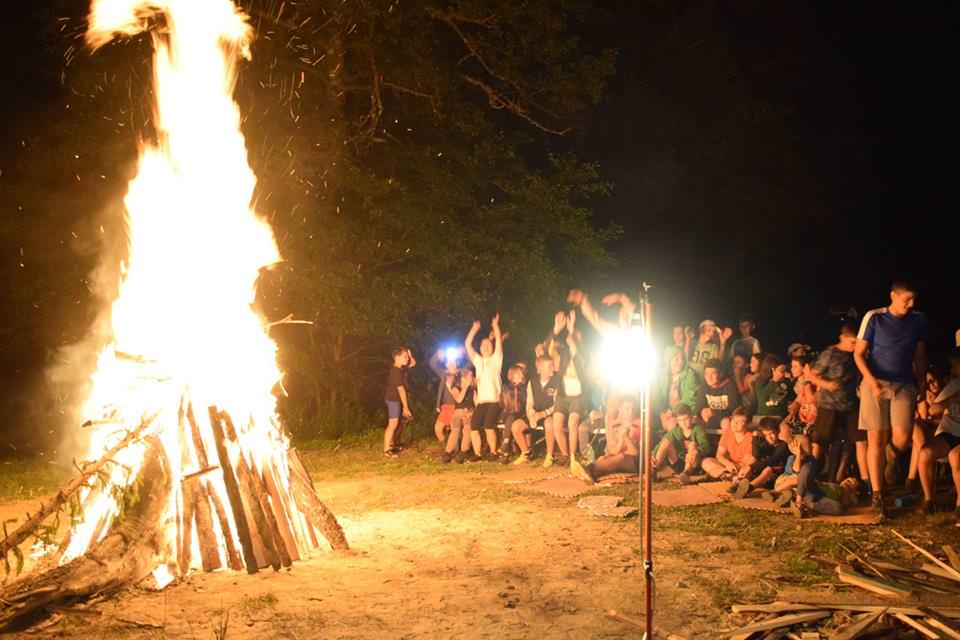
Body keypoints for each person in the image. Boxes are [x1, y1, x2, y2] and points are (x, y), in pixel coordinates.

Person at [855, 279, 928, 518]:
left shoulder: (918, 320)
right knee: (875, 438)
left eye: (913, 299)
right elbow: (858, 354)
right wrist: (872, 381)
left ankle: (891, 455)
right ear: (893, 296)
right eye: (906, 299)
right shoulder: (874, 317)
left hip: (904, 383)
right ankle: (878, 495)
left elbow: (919, 354)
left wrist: (922, 386)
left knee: (902, 437)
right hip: (875, 383)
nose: (911, 303)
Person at [805, 324, 867, 482]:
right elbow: (811, 375)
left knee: (861, 441)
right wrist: (827, 385)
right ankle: (810, 476)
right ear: (843, 338)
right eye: (852, 342)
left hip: (851, 405)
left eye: (857, 342)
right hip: (829, 405)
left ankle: (868, 481)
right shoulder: (830, 354)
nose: (855, 345)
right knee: (820, 442)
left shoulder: (857, 354)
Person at [916, 352, 960, 515]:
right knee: (925, 453)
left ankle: (959, 505)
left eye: (956, 365)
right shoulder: (953, 384)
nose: (954, 369)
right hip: (950, 433)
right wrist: (948, 400)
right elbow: (934, 409)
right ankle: (929, 501)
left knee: (956, 455)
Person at [466, 313, 505, 460]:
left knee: (488, 426)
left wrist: (495, 325)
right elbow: (467, 345)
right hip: (482, 402)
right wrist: (474, 329)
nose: (485, 347)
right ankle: (477, 453)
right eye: (483, 345)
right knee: (474, 427)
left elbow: (499, 343)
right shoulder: (478, 361)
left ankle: (493, 452)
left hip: (494, 401)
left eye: (488, 345)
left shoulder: (496, 359)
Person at [520, 354, 562, 466]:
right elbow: (529, 402)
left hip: (549, 414)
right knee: (516, 427)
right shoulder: (532, 382)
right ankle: (526, 454)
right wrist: (531, 415)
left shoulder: (557, 382)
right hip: (536, 413)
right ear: (539, 369)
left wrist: (543, 414)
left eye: (552, 365)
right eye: (549, 366)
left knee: (549, 423)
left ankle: (549, 455)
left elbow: (557, 404)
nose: (552, 368)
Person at [731, 418, 788, 499]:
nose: (770, 437)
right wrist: (755, 439)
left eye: (772, 433)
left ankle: (748, 488)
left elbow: (771, 461)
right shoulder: (765, 444)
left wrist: (751, 467)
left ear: (778, 431)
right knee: (751, 458)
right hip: (760, 476)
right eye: (766, 435)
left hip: (776, 478)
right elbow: (756, 454)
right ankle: (738, 483)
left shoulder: (783, 446)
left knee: (768, 469)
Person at [652, 403, 708, 484]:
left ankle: (686, 474)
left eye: (685, 419)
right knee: (666, 442)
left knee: (693, 445)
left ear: (691, 418)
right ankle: (654, 470)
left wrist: (697, 450)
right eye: (680, 420)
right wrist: (653, 454)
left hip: (694, 464)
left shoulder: (698, 429)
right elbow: (663, 442)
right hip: (679, 463)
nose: (683, 423)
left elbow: (706, 446)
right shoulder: (676, 430)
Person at [701, 408, 755, 480]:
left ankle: (727, 476)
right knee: (705, 462)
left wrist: (735, 467)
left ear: (747, 424)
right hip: (729, 466)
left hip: (743, 468)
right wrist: (728, 464)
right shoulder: (728, 433)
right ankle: (728, 475)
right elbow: (719, 454)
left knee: (747, 471)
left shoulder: (751, 438)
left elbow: (748, 462)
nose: (734, 424)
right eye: (734, 420)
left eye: (739, 422)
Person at [383, 347, 415, 458]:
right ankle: (386, 449)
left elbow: (413, 364)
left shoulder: (401, 368)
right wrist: (406, 407)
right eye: (404, 357)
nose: (407, 359)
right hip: (393, 400)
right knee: (393, 424)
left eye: (407, 357)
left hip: (396, 400)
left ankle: (393, 444)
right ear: (397, 358)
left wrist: (410, 355)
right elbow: (401, 390)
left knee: (398, 423)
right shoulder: (395, 371)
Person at [441, 368, 478, 463]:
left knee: (467, 427)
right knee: (456, 428)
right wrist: (465, 387)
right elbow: (459, 400)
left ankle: (463, 451)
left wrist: (471, 412)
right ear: (463, 378)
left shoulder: (473, 387)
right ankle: (448, 452)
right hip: (458, 412)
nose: (472, 378)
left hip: (469, 412)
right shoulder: (455, 387)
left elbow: (476, 403)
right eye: (470, 376)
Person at [696, 360, 741, 431]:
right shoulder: (703, 386)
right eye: (706, 374)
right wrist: (703, 411)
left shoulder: (730, 385)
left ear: (720, 374)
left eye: (713, 373)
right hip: (710, 418)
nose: (709, 377)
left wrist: (714, 412)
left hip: (725, 418)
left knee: (726, 422)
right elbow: (699, 405)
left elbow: (734, 409)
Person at [428, 348, 461, 444]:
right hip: (445, 407)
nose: (451, 363)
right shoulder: (444, 374)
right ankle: (445, 446)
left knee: (455, 430)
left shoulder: (461, 374)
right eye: (449, 362)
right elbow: (432, 364)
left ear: (457, 363)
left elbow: (471, 363)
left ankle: (454, 450)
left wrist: (464, 352)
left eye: (453, 362)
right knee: (438, 428)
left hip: (457, 408)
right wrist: (438, 355)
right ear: (446, 365)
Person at [498, 365, 528, 461]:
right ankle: (505, 450)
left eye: (521, 373)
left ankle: (505, 446)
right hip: (508, 412)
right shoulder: (506, 387)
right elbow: (502, 402)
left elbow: (525, 402)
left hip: (520, 413)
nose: (521, 375)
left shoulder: (524, 387)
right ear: (513, 375)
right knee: (508, 419)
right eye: (519, 373)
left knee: (510, 419)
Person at [659, 350, 700, 415]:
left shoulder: (690, 374)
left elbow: (689, 399)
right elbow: (656, 397)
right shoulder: (660, 374)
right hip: (666, 414)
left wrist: (673, 413)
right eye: (677, 358)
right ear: (669, 359)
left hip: (685, 414)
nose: (680, 362)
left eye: (682, 359)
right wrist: (662, 414)